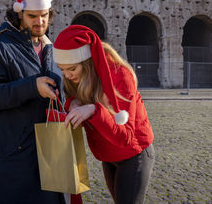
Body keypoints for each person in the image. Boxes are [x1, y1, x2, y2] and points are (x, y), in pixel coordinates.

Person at [0, 0, 66, 204]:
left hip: (50, 153)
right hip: (15, 157)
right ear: (18, 14)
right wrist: (32, 87)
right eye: (33, 16)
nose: (40, 22)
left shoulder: (49, 48)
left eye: (44, 16)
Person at [53, 25, 155, 204]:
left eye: (71, 69)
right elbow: (71, 99)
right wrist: (73, 103)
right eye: (62, 70)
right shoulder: (79, 76)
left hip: (134, 154)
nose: (67, 75)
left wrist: (93, 110)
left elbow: (127, 137)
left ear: (87, 63)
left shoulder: (120, 75)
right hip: (108, 156)